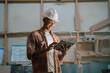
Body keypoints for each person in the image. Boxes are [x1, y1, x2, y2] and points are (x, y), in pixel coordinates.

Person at [27, 8, 71, 73]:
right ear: (44, 20)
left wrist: (64, 53)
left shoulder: (56, 38)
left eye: (54, 23)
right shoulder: (34, 35)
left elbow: (59, 59)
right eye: (50, 22)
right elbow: (30, 55)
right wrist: (45, 50)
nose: (52, 25)